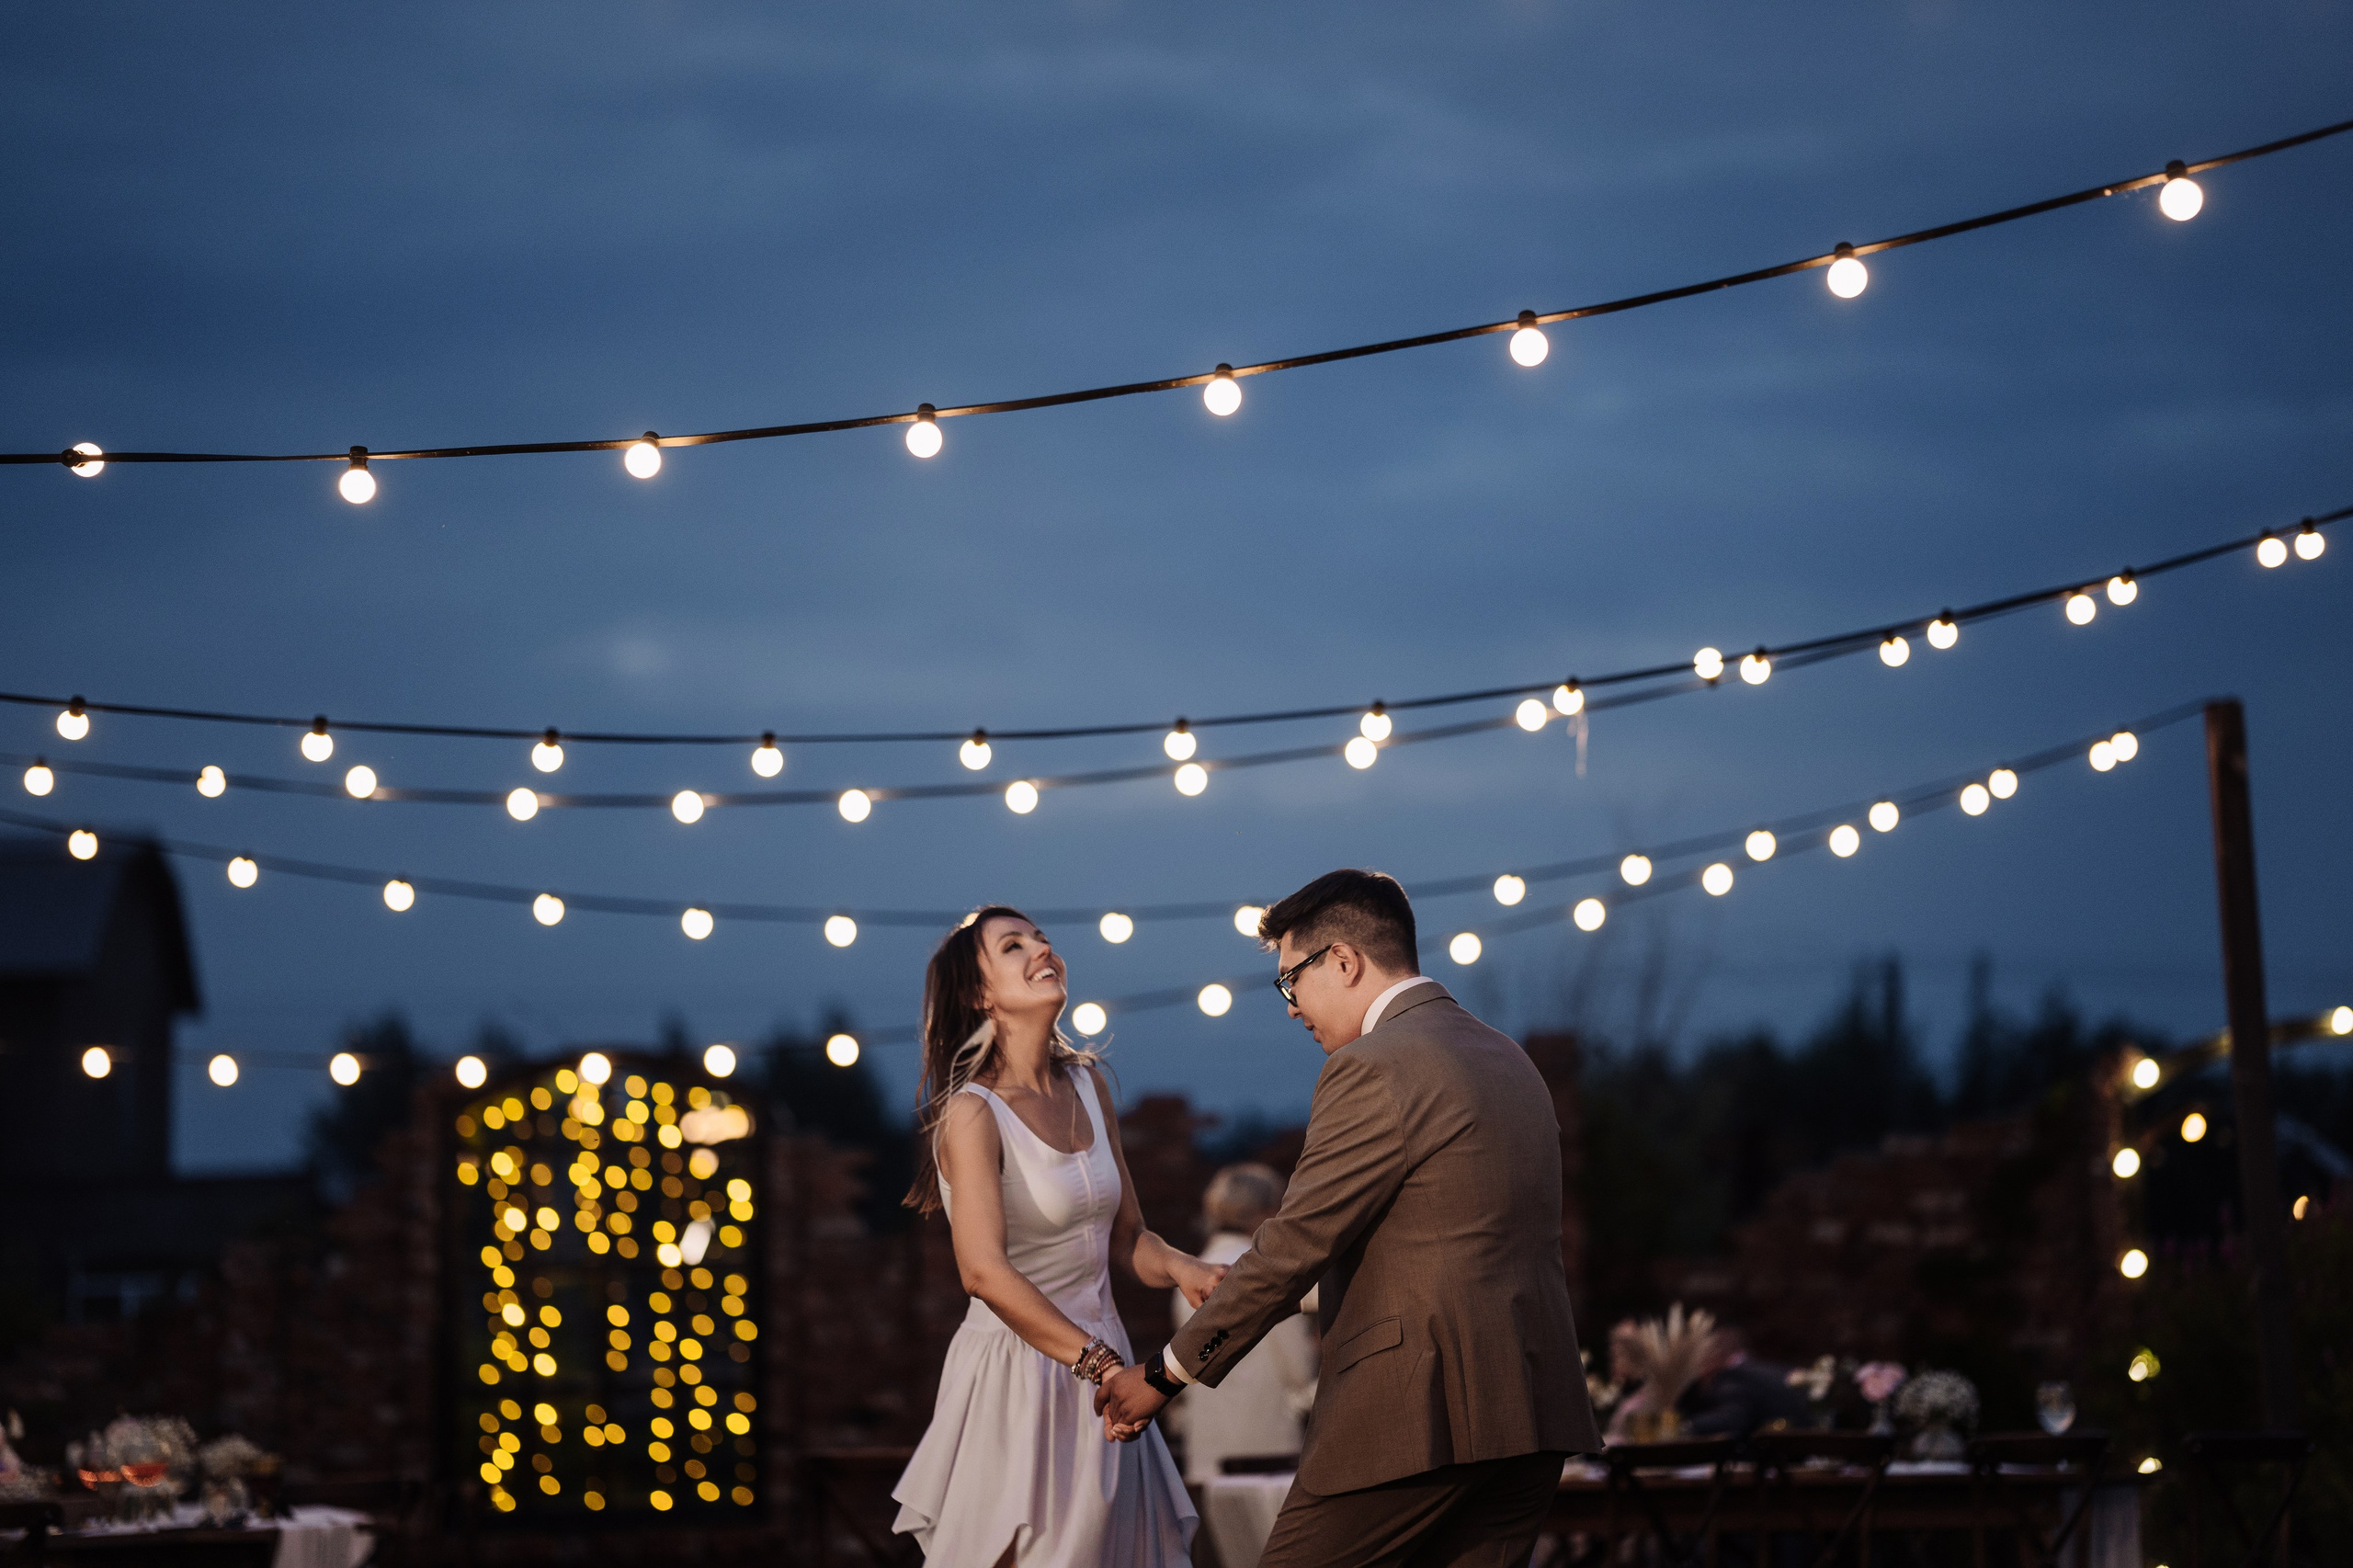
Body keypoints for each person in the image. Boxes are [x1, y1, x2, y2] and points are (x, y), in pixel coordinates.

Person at [1098, 869, 1602, 1567]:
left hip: (1416, 1415)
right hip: (1534, 1411)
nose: (1291, 1007)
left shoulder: (1374, 1065)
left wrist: (1162, 1375)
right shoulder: (1507, 1058)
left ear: (1343, 960)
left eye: (1290, 981)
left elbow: (1291, 1249)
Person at [892, 906, 1222, 1566]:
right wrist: (1100, 1364)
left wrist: (1187, 1268)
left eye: (1042, 939)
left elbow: (1128, 1236)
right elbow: (983, 1272)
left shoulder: (1088, 1083)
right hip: (1019, 1375)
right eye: (1013, 946)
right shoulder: (970, 1113)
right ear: (980, 994)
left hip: (1110, 1373)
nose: (1043, 950)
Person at [1165, 1163, 1319, 1484]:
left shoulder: (1189, 1281)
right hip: (1268, 1446)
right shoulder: (1269, 1273)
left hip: (1208, 1450)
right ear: (1265, 1211)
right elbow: (1299, 1371)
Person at [1677, 1329, 1813, 1438]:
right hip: (1800, 1452)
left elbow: (1733, 1419)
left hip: (1768, 1462)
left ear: (1712, 1355)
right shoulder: (1776, 1370)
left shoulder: (1733, 1376)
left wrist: (1685, 1426)